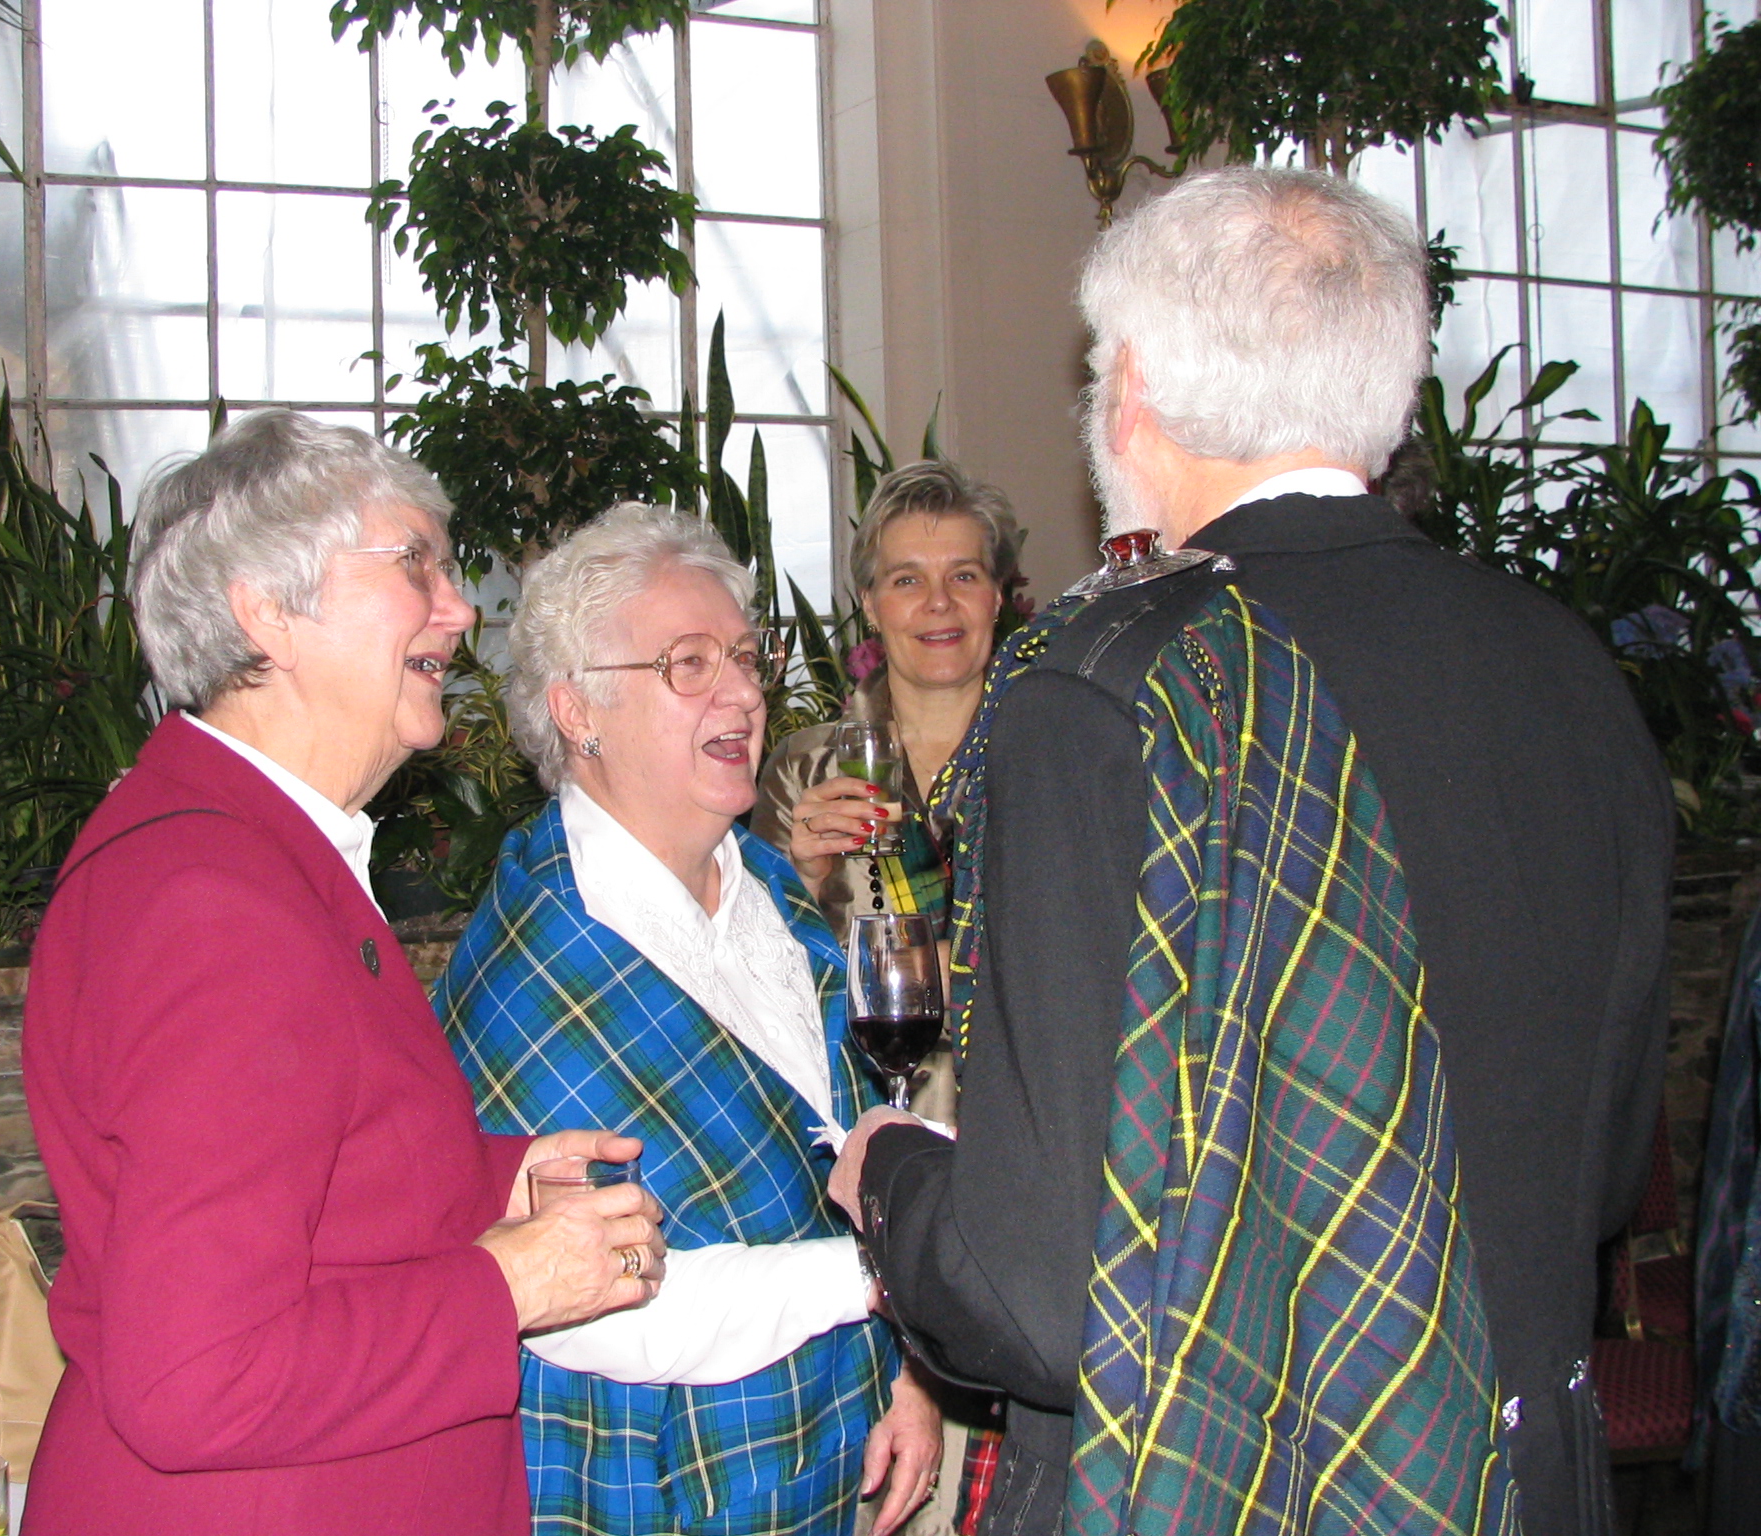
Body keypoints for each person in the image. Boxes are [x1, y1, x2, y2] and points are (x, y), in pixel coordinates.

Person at [829, 168, 1672, 1536]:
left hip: (1232, 1484)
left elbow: (1034, 1300)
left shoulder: (1113, 684)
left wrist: (889, 1179)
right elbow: (1606, 1163)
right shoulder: (1568, 667)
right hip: (1523, 1476)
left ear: (1135, 388)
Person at [20, 412, 666, 1536]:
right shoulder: (214, 901)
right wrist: (513, 1282)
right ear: (266, 612)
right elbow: (198, 1376)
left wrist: (490, 1183)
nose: (459, 609)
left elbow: (301, 1175)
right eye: (415, 563)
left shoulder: (251, 849)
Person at [437, 502, 943, 1536]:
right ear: (576, 711)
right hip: (644, 1482)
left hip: (826, 1458)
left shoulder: (761, 879)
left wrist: (910, 1372)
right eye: (689, 664)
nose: (745, 693)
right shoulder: (539, 957)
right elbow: (600, 1308)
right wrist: (891, 1273)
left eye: (746, 659)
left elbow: (837, 1147)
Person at [753, 460, 1022, 942]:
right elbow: (757, 965)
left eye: (963, 576)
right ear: (870, 605)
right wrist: (804, 881)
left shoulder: (1052, 755)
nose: (939, 601)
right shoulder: (804, 769)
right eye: (907, 580)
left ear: (997, 597)